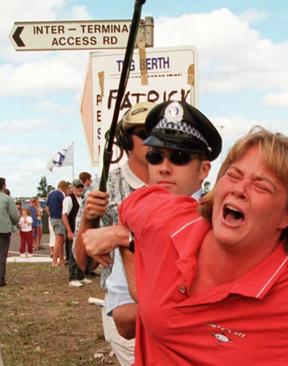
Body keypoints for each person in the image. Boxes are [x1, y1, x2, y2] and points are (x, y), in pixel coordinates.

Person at [85, 127, 288, 365]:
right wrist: (125, 235)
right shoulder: (172, 222)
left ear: (286, 215)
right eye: (234, 175)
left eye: (261, 186)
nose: (240, 189)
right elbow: (138, 202)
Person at [82, 100, 218, 343]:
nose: (164, 168)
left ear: (204, 170)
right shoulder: (135, 219)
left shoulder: (223, 219)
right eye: (155, 156)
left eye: (179, 157)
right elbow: (123, 321)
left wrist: (127, 239)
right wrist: (131, 241)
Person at [73, 101, 155, 366]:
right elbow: (83, 262)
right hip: (126, 310)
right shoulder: (104, 187)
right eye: (145, 133)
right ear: (125, 140)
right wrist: (88, 218)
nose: (155, 140)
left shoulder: (176, 180)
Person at [62, 179, 88, 287]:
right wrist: (69, 230)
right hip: (73, 230)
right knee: (72, 253)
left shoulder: (82, 199)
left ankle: (81, 276)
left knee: (82, 253)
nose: (80, 189)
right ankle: (72, 278)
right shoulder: (69, 199)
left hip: (82, 231)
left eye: (81, 187)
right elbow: (64, 215)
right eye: (77, 187)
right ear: (72, 188)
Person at [0, 178, 19, 287]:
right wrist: (15, 223)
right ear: (3, 186)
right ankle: (0, 279)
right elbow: (14, 215)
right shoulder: (7, 199)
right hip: (3, 229)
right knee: (2, 255)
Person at [47, 180, 69, 267]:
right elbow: (64, 207)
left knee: (60, 239)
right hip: (59, 218)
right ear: (64, 187)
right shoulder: (61, 194)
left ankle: (62, 260)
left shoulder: (50, 194)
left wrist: (51, 216)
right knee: (59, 240)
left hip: (52, 218)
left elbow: (47, 207)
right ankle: (54, 261)